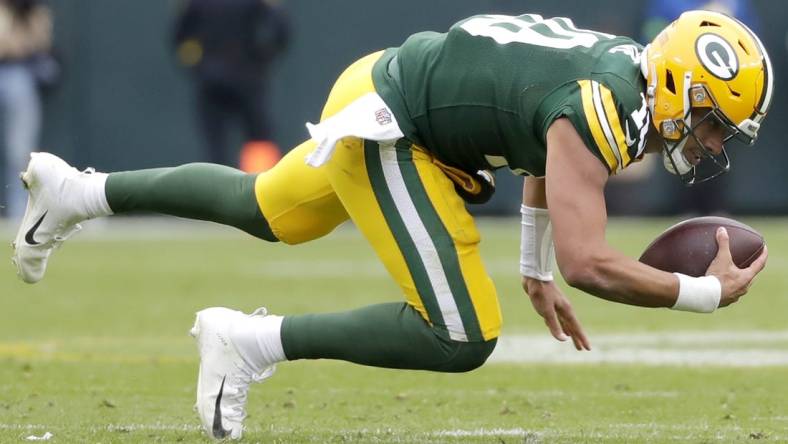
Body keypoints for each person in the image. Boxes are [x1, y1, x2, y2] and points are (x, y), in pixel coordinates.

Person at [12, 11, 771, 440]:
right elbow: (591, 261)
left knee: (265, 209)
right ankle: (245, 343)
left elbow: (549, 150)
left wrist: (533, 264)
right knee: (462, 332)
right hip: (397, 125)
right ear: (680, 82)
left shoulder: (621, 74)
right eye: (711, 121)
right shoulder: (610, 104)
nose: (707, 142)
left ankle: (77, 190)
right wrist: (698, 292)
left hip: (387, 81)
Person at [173, 0, 289, 170]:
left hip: (211, 80)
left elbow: (179, 38)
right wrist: (263, 57)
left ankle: (213, 193)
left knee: (216, 147)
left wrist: (198, 66)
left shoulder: (196, 4)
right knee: (258, 140)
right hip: (248, 78)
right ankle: (259, 192)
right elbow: (281, 30)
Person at [0, 0, 52, 218]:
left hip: (17, 73)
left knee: (19, 150)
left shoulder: (29, 8)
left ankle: (19, 212)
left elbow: (39, 41)